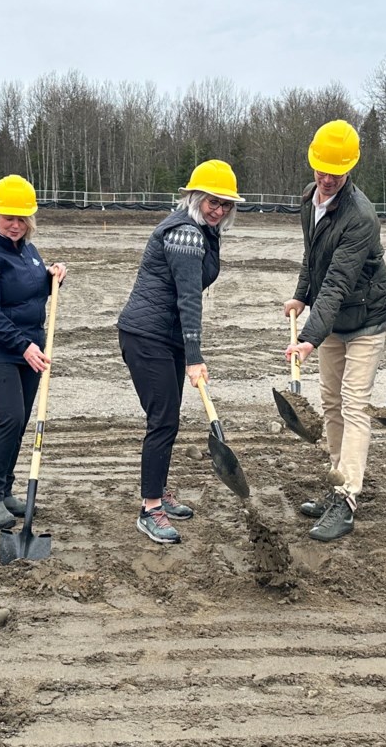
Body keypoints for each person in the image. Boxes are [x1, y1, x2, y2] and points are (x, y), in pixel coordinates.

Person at [117, 159, 244, 545]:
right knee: (163, 421)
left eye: (225, 204)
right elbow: (189, 298)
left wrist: (187, 351)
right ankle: (150, 508)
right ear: (195, 197)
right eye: (212, 201)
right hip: (147, 336)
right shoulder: (186, 234)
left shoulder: (205, 230)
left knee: (167, 419)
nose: (218, 210)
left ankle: (159, 490)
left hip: (164, 335)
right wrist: (194, 356)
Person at [285, 120, 386, 543]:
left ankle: (347, 499)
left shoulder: (360, 216)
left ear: (350, 168)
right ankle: (336, 483)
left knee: (353, 405)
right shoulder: (309, 199)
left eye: (336, 171)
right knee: (330, 403)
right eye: (322, 169)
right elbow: (313, 259)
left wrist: (308, 338)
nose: (327, 179)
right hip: (332, 320)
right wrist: (300, 296)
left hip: (365, 319)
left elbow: (337, 282)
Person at [0, 175, 67, 529]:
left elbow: (32, 291)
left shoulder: (29, 252)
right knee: (8, 417)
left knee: (19, 421)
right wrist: (23, 346)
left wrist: (53, 277)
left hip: (29, 349)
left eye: (22, 219)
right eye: (9, 218)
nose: (15, 225)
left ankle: (5, 490)